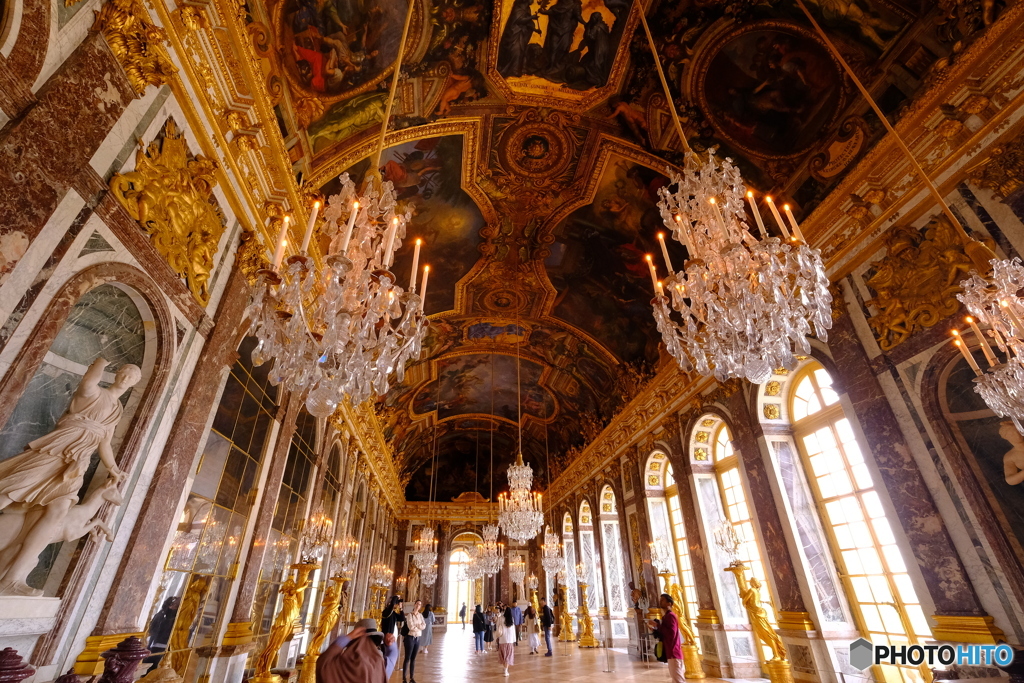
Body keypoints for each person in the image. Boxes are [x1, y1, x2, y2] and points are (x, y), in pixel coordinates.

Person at [0, 357, 139, 596]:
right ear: (117, 374)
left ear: (135, 383)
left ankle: (12, 578)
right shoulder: (94, 393)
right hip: (57, 448)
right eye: (124, 371)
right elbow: (88, 381)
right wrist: (99, 363)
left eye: (132, 375)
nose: (127, 377)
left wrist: (113, 468)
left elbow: (104, 441)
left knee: (58, 512)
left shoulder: (117, 409)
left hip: (78, 462)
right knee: (10, 490)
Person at [316, 619, 398, 683]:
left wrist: (347, 638)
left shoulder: (341, 665)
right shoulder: (380, 665)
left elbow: (323, 662)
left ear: (352, 644)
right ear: (376, 643)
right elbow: (393, 656)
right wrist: (391, 645)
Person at [648, 593, 684, 683]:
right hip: (670, 651)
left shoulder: (671, 616)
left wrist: (657, 625)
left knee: (678, 680)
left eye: (663, 600)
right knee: (675, 678)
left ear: (669, 603)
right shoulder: (666, 616)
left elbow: (671, 633)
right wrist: (655, 629)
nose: (660, 602)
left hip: (673, 651)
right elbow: (664, 633)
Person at [142, 596, 180, 672]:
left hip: (159, 646)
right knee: (150, 668)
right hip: (160, 646)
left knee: (151, 668)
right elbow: (153, 630)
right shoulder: (165, 615)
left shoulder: (163, 614)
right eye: (175, 605)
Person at [400, 599, 425, 683]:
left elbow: (424, 626)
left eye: (420, 604)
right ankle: (404, 678)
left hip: (417, 638)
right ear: (414, 605)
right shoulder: (409, 615)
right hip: (410, 638)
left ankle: (411, 678)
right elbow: (411, 627)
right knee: (407, 658)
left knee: (413, 658)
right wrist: (419, 626)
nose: (418, 605)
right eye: (417, 603)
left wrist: (418, 626)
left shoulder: (420, 616)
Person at [496, 606, 517, 676]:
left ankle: (505, 668)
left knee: (504, 655)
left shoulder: (501, 618)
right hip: (510, 640)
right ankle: (506, 670)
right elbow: (513, 630)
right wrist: (514, 640)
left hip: (502, 639)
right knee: (508, 655)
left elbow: (497, 627)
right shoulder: (512, 619)